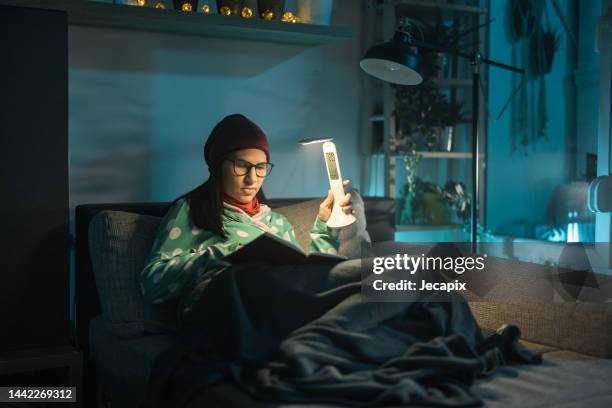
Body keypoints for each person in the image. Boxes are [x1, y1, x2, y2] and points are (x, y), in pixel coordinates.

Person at [139, 113, 355, 306]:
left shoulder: (277, 222)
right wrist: (221, 254)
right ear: (217, 167)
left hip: (282, 301)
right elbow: (151, 283)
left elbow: (306, 275)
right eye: (241, 166)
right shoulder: (190, 210)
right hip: (228, 306)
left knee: (369, 274)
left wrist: (328, 225)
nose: (252, 179)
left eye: (260, 168)